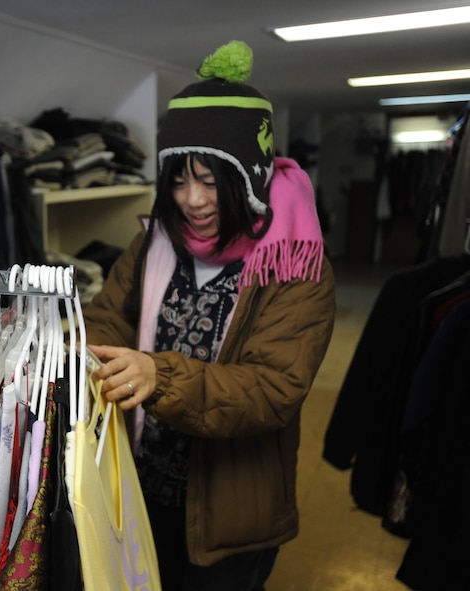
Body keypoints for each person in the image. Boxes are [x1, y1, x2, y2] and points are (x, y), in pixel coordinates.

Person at [83, 40, 337, 590]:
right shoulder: (153, 244)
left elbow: (273, 388)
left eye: (209, 179)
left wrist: (160, 376)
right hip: (139, 489)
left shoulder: (295, 264)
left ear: (248, 177)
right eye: (178, 179)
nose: (192, 200)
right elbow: (108, 320)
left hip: (230, 512)